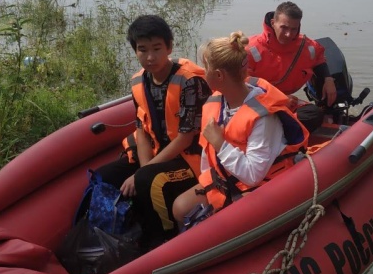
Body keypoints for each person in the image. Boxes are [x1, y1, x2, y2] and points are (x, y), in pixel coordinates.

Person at [96, 15, 211, 249]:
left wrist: (142, 173)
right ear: (135, 51)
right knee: (106, 175)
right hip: (159, 151)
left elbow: (185, 137)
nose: (150, 57)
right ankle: (119, 227)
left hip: (191, 158)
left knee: (148, 179)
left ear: (169, 47)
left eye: (157, 49)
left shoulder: (189, 82)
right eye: (142, 50)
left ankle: (163, 238)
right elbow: (142, 130)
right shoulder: (139, 81)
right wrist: (142, 168)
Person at [172, 31, 308, 225]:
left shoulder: (263, 117)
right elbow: (207, 159)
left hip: (261, 185)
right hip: (228, 179)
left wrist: (220, 142)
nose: (203, 71)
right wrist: (210, 183)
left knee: (214, 225)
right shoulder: (216, 103)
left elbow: (253, 175)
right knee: (179, 207)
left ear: (218, 75)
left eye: (205, 67)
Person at [246, 1, 337, 132]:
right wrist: (277, 99)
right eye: (284, 27)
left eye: (294, 29)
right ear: (273, 23)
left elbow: (319, 59)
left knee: (314, 114)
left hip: (285, 103)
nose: (289, 34)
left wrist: (328, 79)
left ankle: (277, 130)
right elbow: (241, 86)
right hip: (256, 102)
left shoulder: (306, 46)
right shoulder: (250, 49)